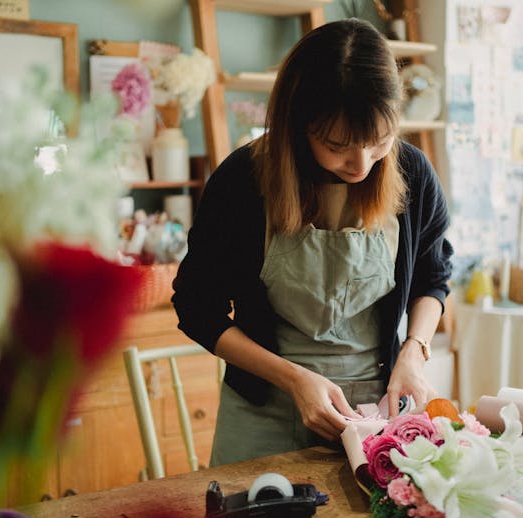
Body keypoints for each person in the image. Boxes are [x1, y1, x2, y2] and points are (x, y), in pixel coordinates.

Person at [172, 18, 453, 466]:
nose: (361, 163)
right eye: (338, 144)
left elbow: (432, 279)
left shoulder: (413, 175)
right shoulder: (243, 181)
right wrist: (295, 379)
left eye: (378, 141)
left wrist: (413, 354)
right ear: (299, 124)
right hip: (264, 408)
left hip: (374, 411)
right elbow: (196, 308)